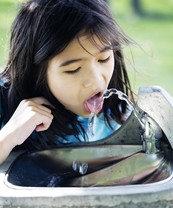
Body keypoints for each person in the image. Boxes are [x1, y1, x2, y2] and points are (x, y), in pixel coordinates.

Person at [0, 0, 134, 165]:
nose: (97, 80)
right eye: (74, 69)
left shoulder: (116, 111)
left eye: (104, 59)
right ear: (35, 72)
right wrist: (10, 134)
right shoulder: (3, 101)